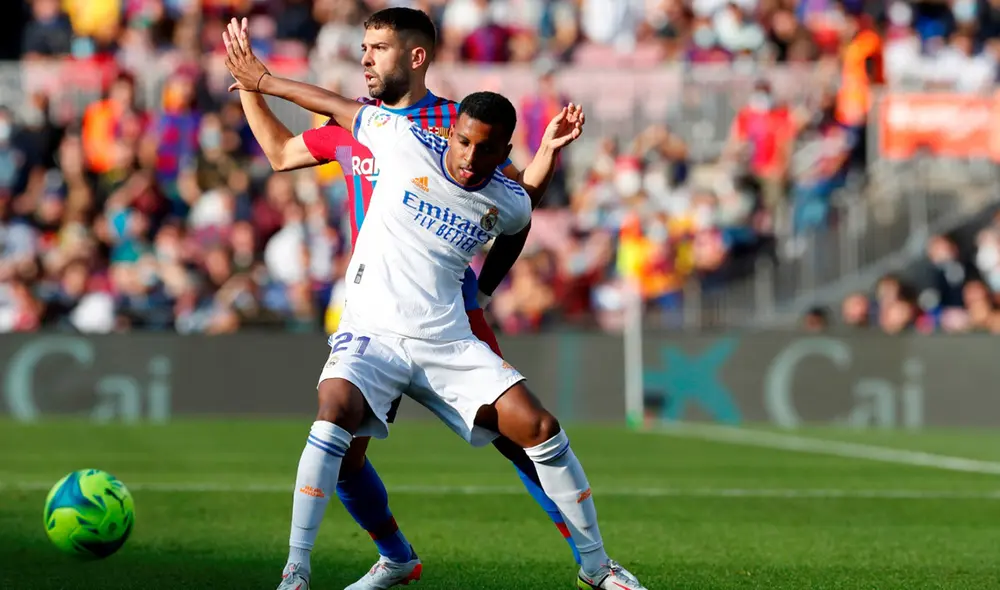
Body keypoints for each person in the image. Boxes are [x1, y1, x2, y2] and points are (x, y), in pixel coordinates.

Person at [224, 19, 647, 590]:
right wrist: (251, 84)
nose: (366, 59)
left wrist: (491, 285)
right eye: (365, 48)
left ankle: (594, 564)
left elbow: (512, 200)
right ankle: (391, 557)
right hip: (375, 303)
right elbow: (278, 153)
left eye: (378, 49)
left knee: (523, 439)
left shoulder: (454, 125)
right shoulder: (364, 123)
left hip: (451, 313)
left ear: (416, 56)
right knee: (344, 446)